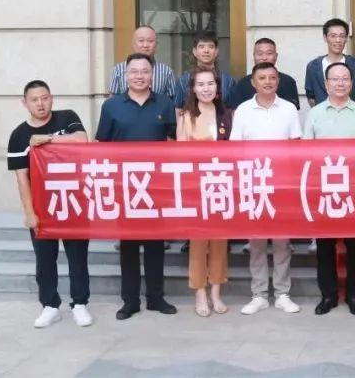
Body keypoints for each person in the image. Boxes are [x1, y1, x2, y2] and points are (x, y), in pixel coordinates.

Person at [96, 53, 178, 320]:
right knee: (128, 246)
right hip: (125, 186)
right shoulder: (111, 106)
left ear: (152, 74)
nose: (139, 76)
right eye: (134, 71)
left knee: (155, 245)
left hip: (156, 186)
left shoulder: (165, 103)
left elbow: (173, 143)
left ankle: (156, 298)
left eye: (144, 71)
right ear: (126, 75)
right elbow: (102, 146)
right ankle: (129, 301)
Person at [7, 80, 92, 328]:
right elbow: (22, 178)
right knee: (45, 259)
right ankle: (50, 305)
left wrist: (48, 139)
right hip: (43, 207)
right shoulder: (18, 136)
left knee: (78, 257)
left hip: (74, 202)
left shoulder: (67, 118)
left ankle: (80, 303)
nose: (41, 104)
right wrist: (29, 213)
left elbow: (82, 139)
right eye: (34, 100)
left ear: (51, 98)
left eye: (44, 98)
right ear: (25, 103)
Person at [303, 62, 355, 317]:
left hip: (353, 188)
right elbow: (306, 153)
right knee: (325, 247)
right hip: (324, 188)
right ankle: (328, 295)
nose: (340, 83)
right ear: (326, 84)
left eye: (345, 78)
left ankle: (354, 295)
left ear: (351, 83)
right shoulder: (315, 114)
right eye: (335, 79)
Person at [231, 63, 303, 315]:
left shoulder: (289, 109)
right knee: (257, 242)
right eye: (262, 78)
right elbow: (236, 149)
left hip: (282, 183)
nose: (268, 82)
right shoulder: (243, 110)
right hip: (254, 182)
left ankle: (283, 293)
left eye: (272, 77)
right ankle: (259, 294)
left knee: (282, 242)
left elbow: (296, 146)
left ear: (278, 81)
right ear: (253, 82)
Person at [176, 67, 233, 317]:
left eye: (210, 84)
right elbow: (180, 156)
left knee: (220, 242)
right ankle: (200, 292)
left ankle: (216, 293)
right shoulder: (187, 117)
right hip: (196, 188)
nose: (206, 89)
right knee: (198, 243)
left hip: (222, 187)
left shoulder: (227, 115)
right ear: (193, 89)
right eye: (201, 84)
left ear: (217, 87)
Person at [227, 38, 300, 109]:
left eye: (269, 53)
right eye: (260, 54)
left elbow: (292, 111)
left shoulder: (288, 82)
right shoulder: (243, 83)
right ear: (254, 56)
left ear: (276, 56)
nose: (264, 58)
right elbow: (237, 111)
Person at [305, 18, 355, 106]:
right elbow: (311, 96)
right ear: (325, 38)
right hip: (322, 113)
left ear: (346, 38)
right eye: (333, 36)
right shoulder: (313, 66)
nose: (338, 40)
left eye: (342, 36)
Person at [173, 31, 236, 112]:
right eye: (201, 47)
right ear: (194, 51)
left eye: (210, 47)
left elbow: (233, 111)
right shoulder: (183, 81)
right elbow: (178, 109)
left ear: (216, 52)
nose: (206, 50)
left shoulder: (228, 81)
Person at [107, 25, 176, 98]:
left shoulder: (166, 72)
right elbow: (112, 99)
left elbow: (172, 100)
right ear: (133, 44)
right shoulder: (118, 70)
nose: (145, 45)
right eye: (141, 40)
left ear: (156, 45)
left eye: (150, 41)